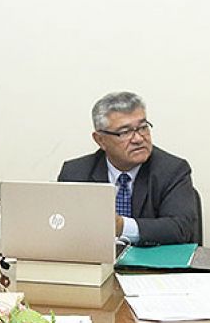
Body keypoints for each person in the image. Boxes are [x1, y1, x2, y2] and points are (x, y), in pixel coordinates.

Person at [58, 91, 200, 246]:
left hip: (149, 266)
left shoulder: (172, 170)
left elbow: (181, 229)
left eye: (143, 127)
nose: (138, 139)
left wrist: (121, 226)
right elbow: (62, 229)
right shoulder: (75, 173)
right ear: (100, 140)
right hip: (95, 264)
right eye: (125, 132)